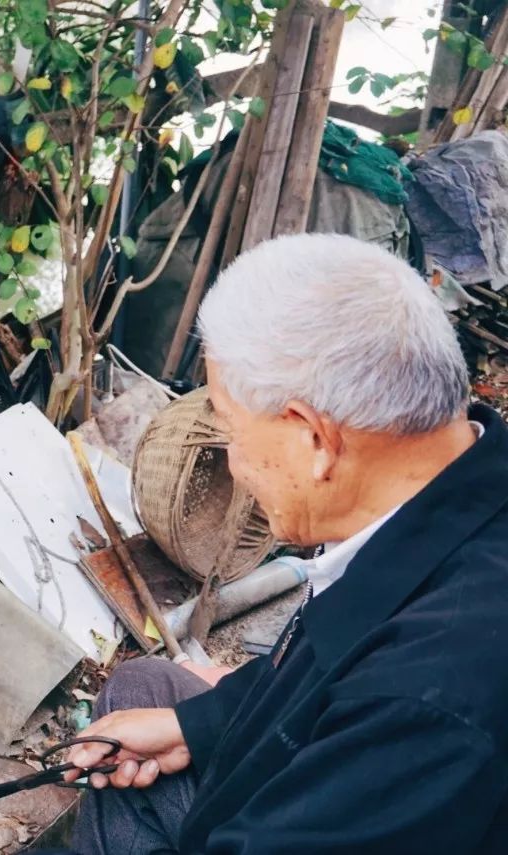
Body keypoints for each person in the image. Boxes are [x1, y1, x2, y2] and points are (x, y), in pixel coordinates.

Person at [43, 233, 508, 853]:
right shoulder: (457, 494)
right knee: (142, 692)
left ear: (314, 439)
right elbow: (325, 672)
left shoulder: (426, 697)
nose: (234, 464)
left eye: (231, 431)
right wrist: (196, 727)